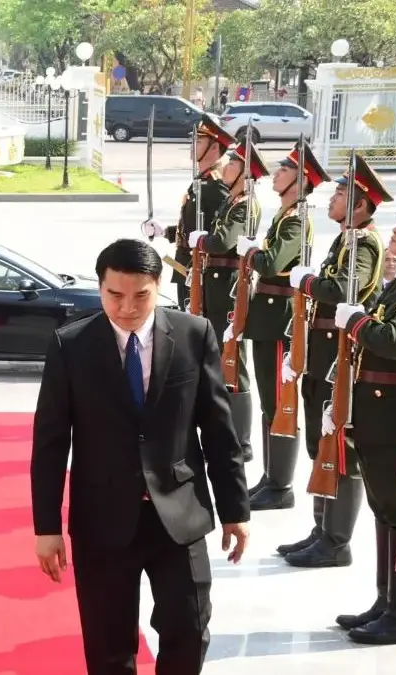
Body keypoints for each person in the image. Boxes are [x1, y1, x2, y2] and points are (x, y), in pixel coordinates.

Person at [32, 238, 250, 674]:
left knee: (188, 628)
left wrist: (235, 509)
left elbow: (220, 430)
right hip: (102, 518)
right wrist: (47, 527)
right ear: (100, 288)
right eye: (115, 295)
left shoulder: (193, 334)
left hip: (179, 514)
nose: (127, 307)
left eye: (140, 296)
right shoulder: (70, 345)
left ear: (158, 286)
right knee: (108, 644)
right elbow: (51, 443)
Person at [281, 155, 388, 568]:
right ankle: (322, 528)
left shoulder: (364, 242)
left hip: (341, 356)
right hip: (324, 351)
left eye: (342, 194)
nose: (333, 199)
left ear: (360, 206)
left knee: (338, 445)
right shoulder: (347, 239)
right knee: (321, 442)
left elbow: (349, 286)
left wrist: (307, 281)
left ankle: (336, 540)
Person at [333, 192, 396, 645]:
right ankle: (387, 602)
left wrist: (356, 321)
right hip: (377, 415)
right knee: (385, 512)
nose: (395, 232)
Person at [234, 139, 330, 510]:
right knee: (269, 401)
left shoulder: (297, 220)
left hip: (280, 321)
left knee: (280, 401)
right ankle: (271, 477)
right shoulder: (285, 216)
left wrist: (252, 250)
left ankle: (281, 485)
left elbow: (272, 263)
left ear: (301, 180)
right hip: (267, 317)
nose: (276, 174)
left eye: (285, 170)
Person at [188, 140, 269, 464]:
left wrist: (203, 240)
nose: (227, 167)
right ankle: (223, 432)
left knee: (234, 361)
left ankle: (241, 441)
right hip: (216, 287)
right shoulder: (234, 201)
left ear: (245, 174)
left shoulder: (245, 205)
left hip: (230, 289)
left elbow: (223, 241)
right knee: (220, 361)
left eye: (234, 164)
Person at [143, 114, 234, 312]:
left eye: (199, 141)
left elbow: (219, 232)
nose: (192, 145)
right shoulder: (201, 181)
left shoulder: (216, 184)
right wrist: (164, 232)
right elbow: (193, 227)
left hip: (202, 272)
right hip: (186, 268)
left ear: (214, 148)